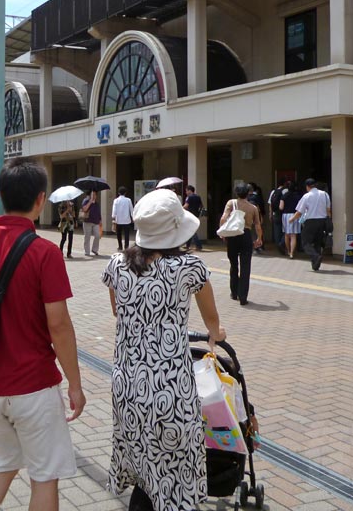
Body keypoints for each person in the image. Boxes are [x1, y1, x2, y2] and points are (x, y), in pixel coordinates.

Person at [0, 158, 86, 511]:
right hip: (34, 386)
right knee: (44, 476)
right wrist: (75, 385)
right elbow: (58, 325)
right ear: (40, 199)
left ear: (0, 196)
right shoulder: (45, 251)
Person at [102, 189, 227, 511]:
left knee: (144, 467)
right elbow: (212, 320)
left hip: (127, 385)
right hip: (169, 387)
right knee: (173, 472)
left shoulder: (117, 264)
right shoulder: (190, 266)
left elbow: (119, 311)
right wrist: (216, 333)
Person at [218, 182, 263, 306]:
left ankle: (234, 292)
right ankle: (243, 297)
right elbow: (258, 225)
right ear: (248, 193)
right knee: (245, 266)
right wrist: (259, 238)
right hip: (246, 235)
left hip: (232, 236)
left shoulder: (231, 203)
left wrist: (222, 231)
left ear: (236, 192)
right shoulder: (253, 207)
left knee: (233, 264)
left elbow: (223, 217)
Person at [288, 178, 332, 271]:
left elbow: (299, 212)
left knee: (305, 242)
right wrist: (328, 221)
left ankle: (315, 257)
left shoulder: (307, 196)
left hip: (311, 222)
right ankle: (315, 265)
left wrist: (292, 219)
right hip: (322, 221)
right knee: (317, 242)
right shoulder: (324, 194)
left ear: (307, 187)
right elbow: (328, 210)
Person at [280, 182, 303, 259]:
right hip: (295, 215)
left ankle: (288, 250)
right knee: (294, 235)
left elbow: (281, 207)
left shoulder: (284, 196)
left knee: (287, 234)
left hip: (286, 215)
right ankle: (292, 253)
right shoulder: (298, 196)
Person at [268, 181, 289, 254]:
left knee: (277, 231)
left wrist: (270, 214)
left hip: (275, 213)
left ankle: (278, 246)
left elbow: (270, 204)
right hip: (284, 213)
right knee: (287, 230)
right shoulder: (286, 191)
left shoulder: (273, 192)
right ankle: (282, 244)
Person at [111, 186, 134, 251]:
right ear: (125, 193)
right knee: (127, 234)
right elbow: (131, 210)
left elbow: (114, 210)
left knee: (119, 234)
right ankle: (126, 247)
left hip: (118, 220)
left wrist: (113, 217)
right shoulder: (128, 200)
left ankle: (120, 246)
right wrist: (133, 217)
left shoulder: (116, 200)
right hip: (127, 220)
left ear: (118, 193)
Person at [182, 184, 204, 251]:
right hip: (196, 215)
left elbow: (186, 206)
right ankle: (187, 245)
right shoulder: (198, 197)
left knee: (192, 231)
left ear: (189, 190)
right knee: (190, 230)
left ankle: (199, 245)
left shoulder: (189, 197)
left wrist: (180, 209)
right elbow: (201, 206)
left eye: (186, 191)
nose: (186, 192)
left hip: (190, 215)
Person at [81, 190, 101, 257]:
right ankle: (87, 251)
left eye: (95, 194)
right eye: (93, 194)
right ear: (90, 195)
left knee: (98, 235)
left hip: (96, 222)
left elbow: (98, 212)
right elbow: (84, 209)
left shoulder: (96, 203)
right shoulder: (86, 200)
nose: (94, 196)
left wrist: (100, 220)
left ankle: (94, 249)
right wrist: (90, 201)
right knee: (87, 237)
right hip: (87, 221)